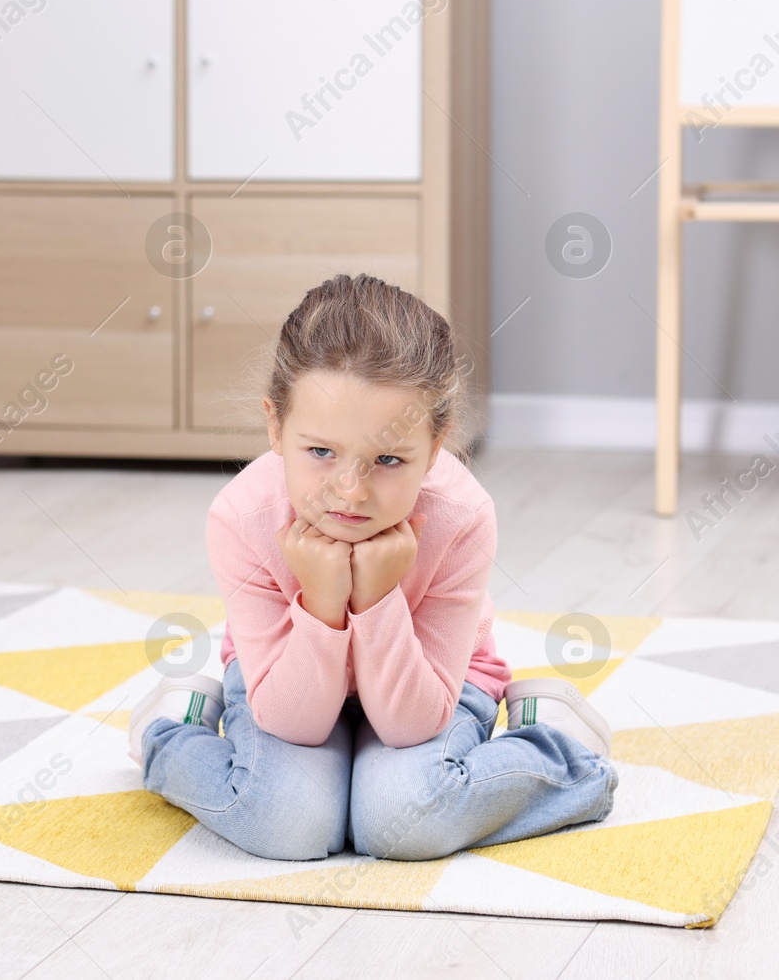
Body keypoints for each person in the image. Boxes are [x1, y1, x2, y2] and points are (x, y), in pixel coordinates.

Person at [127, 275, 616, 861]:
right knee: (287, 825)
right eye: (320, 452)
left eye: (387, 459)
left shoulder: (461, 517)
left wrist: (379, 601)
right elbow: (294, 724)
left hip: (432, 683)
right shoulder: (242, 515)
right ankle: (172, 728)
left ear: (435, 448)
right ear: (275, 428)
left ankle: (554, 742)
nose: (350, 491)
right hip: (285, 678)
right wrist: (322, 603)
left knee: (401, 822)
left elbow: (410, 727)